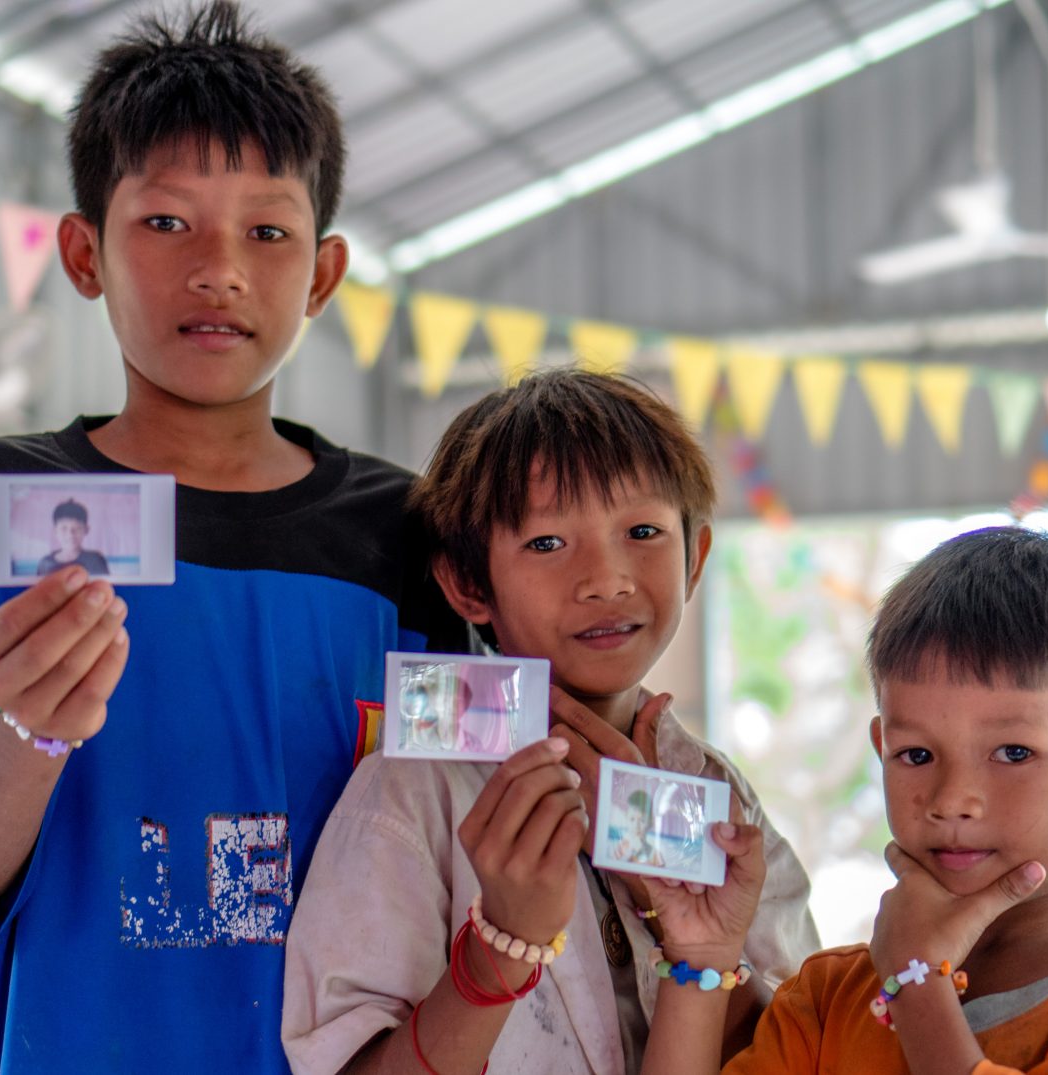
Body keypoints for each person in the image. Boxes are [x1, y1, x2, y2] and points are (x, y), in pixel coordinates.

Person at [0, 4, 462, 1072]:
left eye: (266, 232)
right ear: (84, 252)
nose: (219, 268)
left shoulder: (406, 535)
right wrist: (27, 733)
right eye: (168, 221)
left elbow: (462, 846)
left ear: (323, 275)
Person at [282, 369, 820, 1074]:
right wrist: (503, 942)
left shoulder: (717, 796)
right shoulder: (414, 790)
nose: (606, 579)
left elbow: (808, 1043)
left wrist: (678, 925)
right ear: (467, 583)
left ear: (695, 560)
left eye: (643, 531)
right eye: (545, 543)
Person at [635, 527, 1048, 1075]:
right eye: (916, 755)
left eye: (1014, 752)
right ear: (882, 750)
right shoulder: (827, 997)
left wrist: (916, 982)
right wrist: (702, 956)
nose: (951, 801)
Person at [34, 498, 110, 576]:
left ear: (86, 530)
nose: (70, 534)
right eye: (64, 528)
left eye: (77, 528)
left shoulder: (95, 560)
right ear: (55, 531)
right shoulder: (46, 563)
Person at [614, 787, 665, 867]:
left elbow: (661, 871)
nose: (636, 826)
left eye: (642, 821)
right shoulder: (621, 847)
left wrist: (640, 850)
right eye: (632, 819)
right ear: (626, 819)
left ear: (651, 823)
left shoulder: (655, 854)